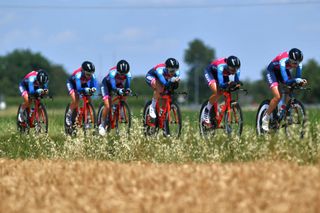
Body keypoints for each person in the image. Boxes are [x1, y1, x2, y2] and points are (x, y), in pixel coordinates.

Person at [261, 48, 307, 132]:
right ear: (289, 59)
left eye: (297, 63)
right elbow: (286, 80)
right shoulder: (283, 61)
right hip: (272, 72)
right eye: (293, 63)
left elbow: (297, 78)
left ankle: (283, 109)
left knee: (291, 88)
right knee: (278, 96)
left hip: (283, 71)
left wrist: (301, 82)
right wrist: (295, 80)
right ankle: (266, 117)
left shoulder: (298, 63)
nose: (295, 65)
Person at [203, 56, 242, 124]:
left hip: (223, 74)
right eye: (232, 70)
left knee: (225, 91)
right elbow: (221, 84)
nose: (234, 72)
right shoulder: (221, 66)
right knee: (216, 92)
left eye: (235, 70)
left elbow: (236, 81)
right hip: (211, 72)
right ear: (227, 66)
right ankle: (206, 111)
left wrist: (236, 84)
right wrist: (226, 84)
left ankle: (221, 107)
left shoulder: (236, 69)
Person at [98, 60, 132, 136]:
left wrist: (127, 90)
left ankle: (120, 109)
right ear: (117, 71)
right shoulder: (112, 73)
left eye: (124, 74)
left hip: (118, 85)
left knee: (125, 93)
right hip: (107, 85)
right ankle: (102, 124)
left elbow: (127, 86)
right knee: (107, 105)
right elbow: (113, 87)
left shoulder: (128, 75)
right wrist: (118, 90)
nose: (122, 75)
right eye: (120, 74)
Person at [65, 61, 98, 126]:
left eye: (90, 74)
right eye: (88, 74)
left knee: (89, 98)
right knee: (75, 100)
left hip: (82, 83)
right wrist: (86, 89)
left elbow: (93, 85)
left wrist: (93, 89)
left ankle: (87, 117)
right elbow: (79, 89)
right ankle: (68, 115)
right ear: (83, 71)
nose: (89, 76)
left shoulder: (92, 75)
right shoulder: (78, 74)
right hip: (73, 84)